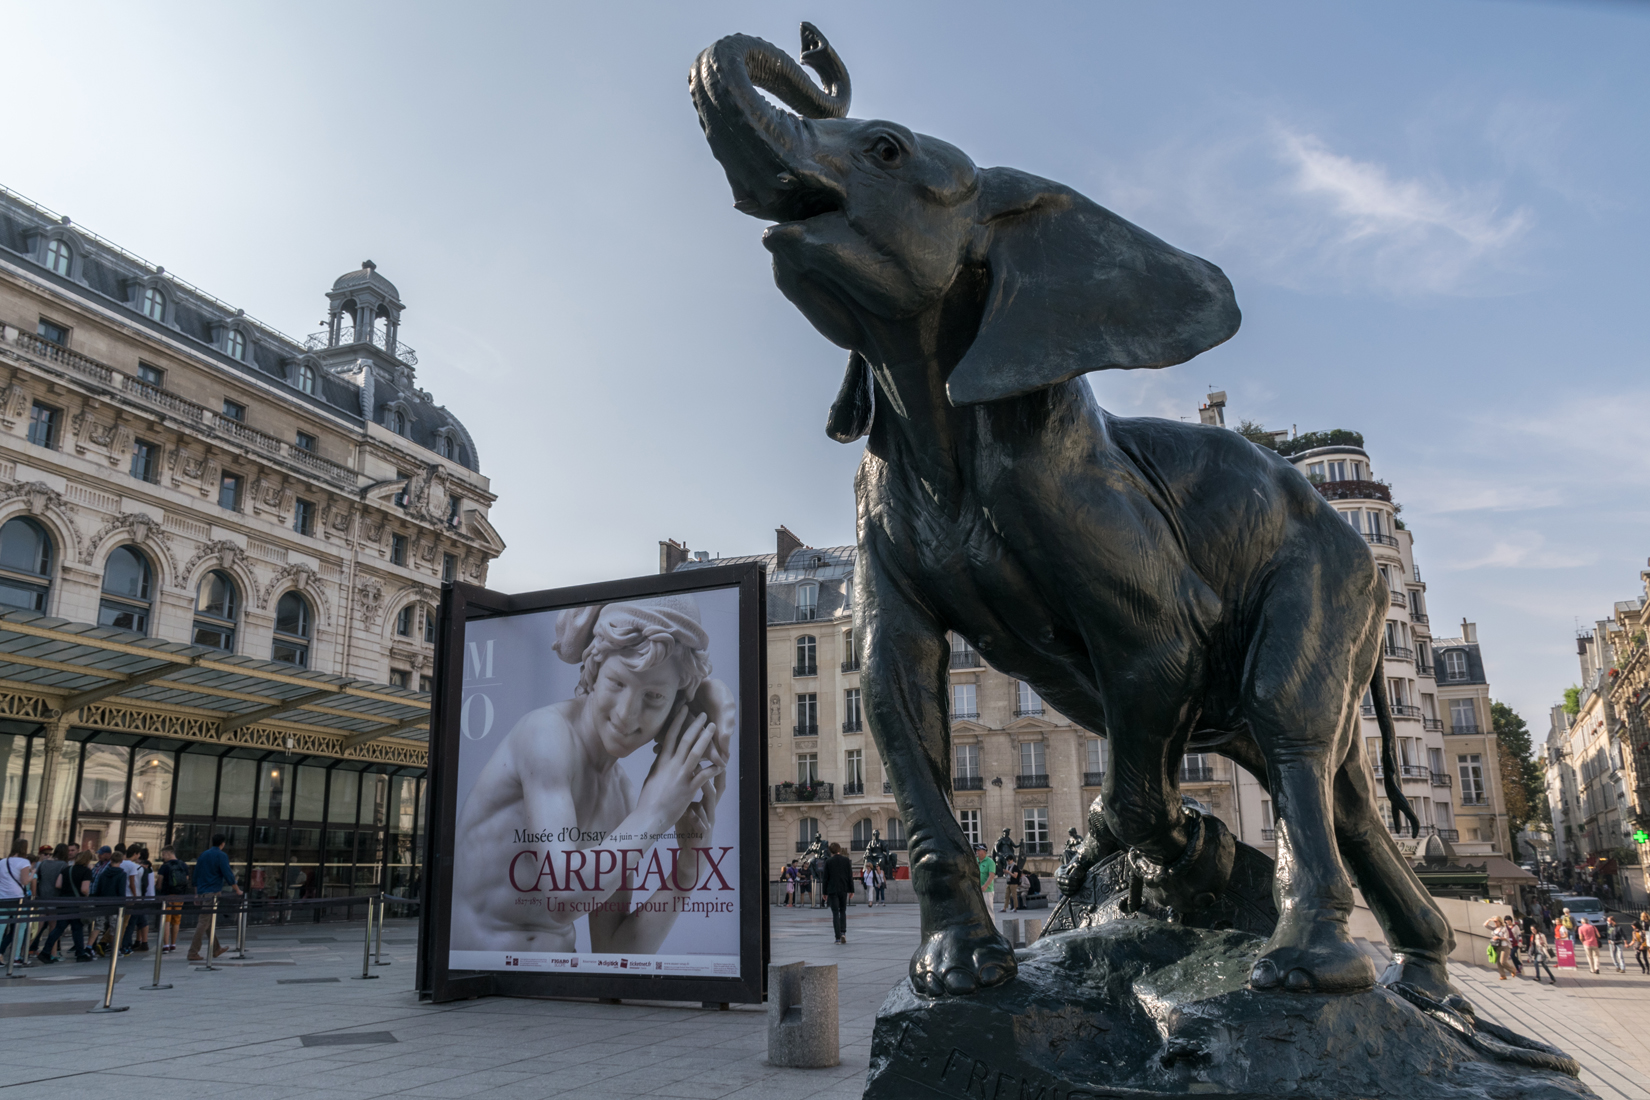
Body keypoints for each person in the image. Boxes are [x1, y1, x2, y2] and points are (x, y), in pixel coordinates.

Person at [450, 598, 733, 954]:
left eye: (654, 697)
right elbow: (563, 896)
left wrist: (685, 873)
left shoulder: (624, 797)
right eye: (617, 683)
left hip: (554, 990)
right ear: (594, 671)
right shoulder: (546, 734)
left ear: (675, 706)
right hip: (485, 990)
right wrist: (655, 815)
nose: (627, 715)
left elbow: (614, 951)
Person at [188, 834, 241, 961]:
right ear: (222, 843)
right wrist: (237, 890)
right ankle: (193, 952)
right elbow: (227, 873)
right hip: (212, 893)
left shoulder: (204, 854)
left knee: (209, 922)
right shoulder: (221, 855)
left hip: (202, 892)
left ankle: (216, 948)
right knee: (203, 922)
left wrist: (197, 893)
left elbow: (196, 874)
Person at [40, 850, 94, 963]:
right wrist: (88, 895)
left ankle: (45, 951)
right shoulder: (86, 871)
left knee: (59, 928)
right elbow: (84, 889)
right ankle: (80, 954)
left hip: (63, 902)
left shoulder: (66, 870)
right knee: (77, 928)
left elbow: (58, 884)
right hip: (76, 904)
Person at [0, 837, 35, 964]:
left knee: (1, 927)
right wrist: (32, 874)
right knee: (20, 927)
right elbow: (25, 881)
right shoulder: (24, 862)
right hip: (17, 898)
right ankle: (16, 957)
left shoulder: (3, 861)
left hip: (2, 897)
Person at [29, 844, 67, 960]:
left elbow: (38, 877)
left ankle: (24, 949)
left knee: (38, 926)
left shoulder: (44, 863)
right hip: (55, 898)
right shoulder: (63, 865)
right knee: (53, 927)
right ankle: (53, 953)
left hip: (42, 897)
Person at [155, 846, 190, 952]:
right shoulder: (183, 865)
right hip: (180, 896)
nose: (162, 857)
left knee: (166, 920)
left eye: (163, 855)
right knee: (176, 920)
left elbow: (159, 884)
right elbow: (186, 881)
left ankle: (166, 945)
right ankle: (173, 944)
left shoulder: (164, 867)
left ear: (167, 853)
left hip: (167, 896)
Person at [822, 842, 854, 944]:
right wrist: (851, 890)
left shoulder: (828, 861)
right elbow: (850, 876)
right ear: (839, 849)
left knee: (835, 913)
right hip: (843, 889)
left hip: (832, 890)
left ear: (830, 851)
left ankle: (837, 937)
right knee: (843, 911)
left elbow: (825, 878)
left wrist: (824, 892)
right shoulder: (846, 860)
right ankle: (843, 932)